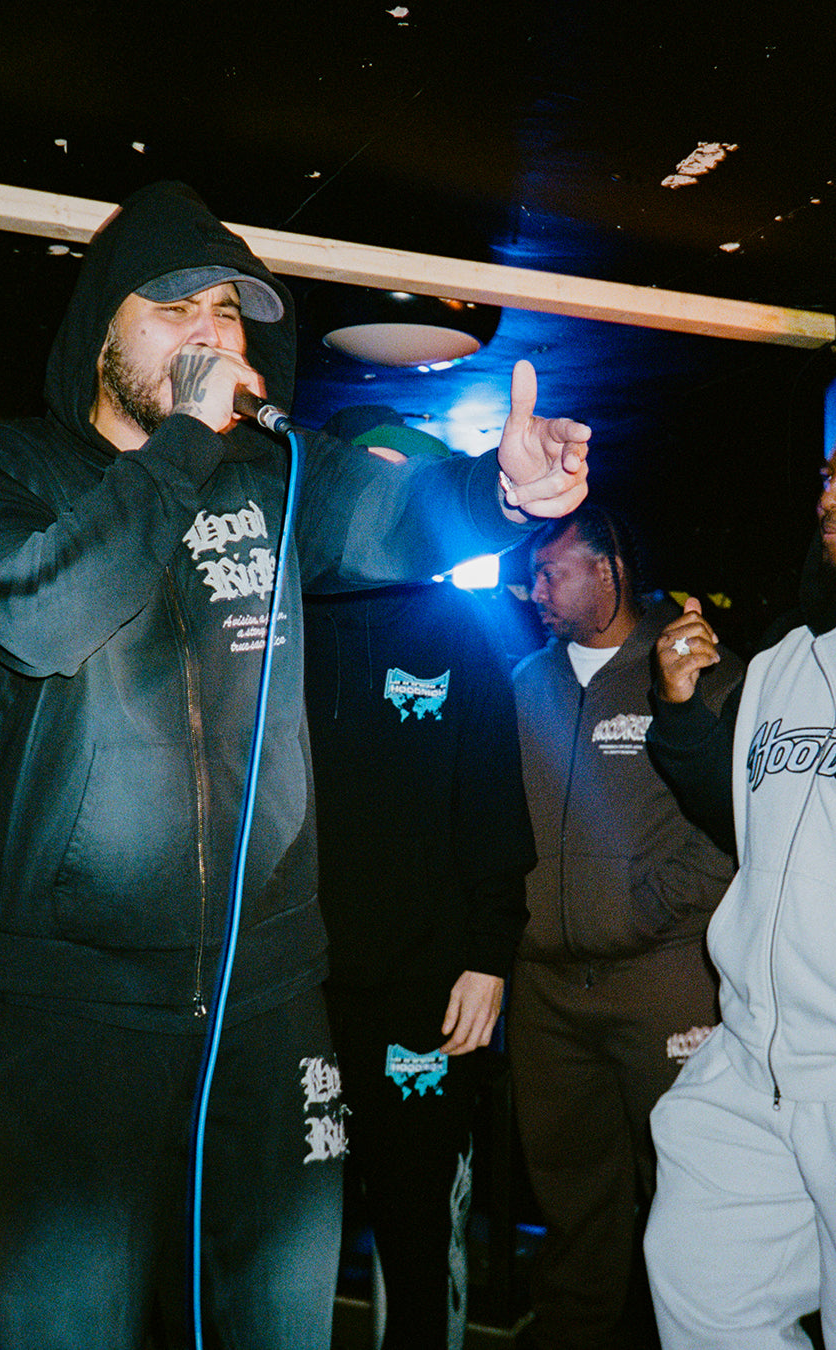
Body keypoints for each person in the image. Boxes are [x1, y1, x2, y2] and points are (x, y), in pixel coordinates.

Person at [0, 178, 591, 1350]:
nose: (210, 333)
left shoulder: (281, 477)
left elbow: (399, 515)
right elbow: (41, 621)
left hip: (268, 998)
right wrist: (183, 445)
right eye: (175, 308)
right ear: (99, 331)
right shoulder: (8, 471)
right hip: (76, 1010)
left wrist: (501, 491)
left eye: (228, 315)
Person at [642, 400, 836, 1348]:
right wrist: (681, 713)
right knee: (704, 1295)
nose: (829, 497)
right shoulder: (787, 657)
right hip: (751, 1060)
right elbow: (749, 819)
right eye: (828, 475)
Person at [303, 405, 535, 1349]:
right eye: (364, 479)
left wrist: (489, 956)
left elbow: (493, 804)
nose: (382, 503)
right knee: (286, 1238)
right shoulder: (277, 618)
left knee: (415, 1227)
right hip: (289, 992)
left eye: (403, 484)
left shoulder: (463, 629)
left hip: (422, 992)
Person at [506, 504, 742, 1350]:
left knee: (687, 1190)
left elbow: (737, 830)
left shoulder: (696, 671)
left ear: (608, 569)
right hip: (547, 993)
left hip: (664, 981)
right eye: (531, 576)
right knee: (569, 1195)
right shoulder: (523, 683)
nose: (533, 591)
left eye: (551, 574)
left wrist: (647, 910)